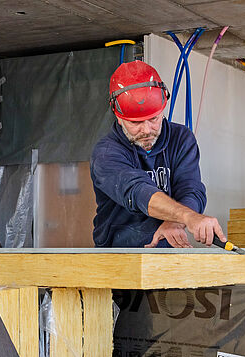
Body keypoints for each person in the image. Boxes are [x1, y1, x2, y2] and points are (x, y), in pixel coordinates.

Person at [90, 60, 227, 248]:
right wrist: (188, 217)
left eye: (153, 118)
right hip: (119, 253)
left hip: (168, 249)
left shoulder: (181, 139)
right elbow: (138, 192)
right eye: (136, 123)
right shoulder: (106, 154)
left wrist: (175, 222)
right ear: (119, 117)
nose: (147, 130)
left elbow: (191, 189)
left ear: (163, 108)